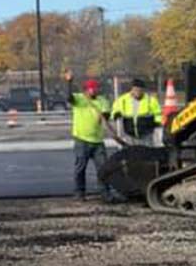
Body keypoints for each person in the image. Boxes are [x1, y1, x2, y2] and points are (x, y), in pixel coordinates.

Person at [65, 71, 119, 201]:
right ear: (86, 89)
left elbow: (106, 116)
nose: (93, 91)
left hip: (97, 141)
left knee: (103, 168)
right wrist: (69, 82)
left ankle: (105, 193)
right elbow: (68, 97)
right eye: (91, 89)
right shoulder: (79, 99)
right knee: (80, 168)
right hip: (82, 139)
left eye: (95, 88)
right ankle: (79, 193)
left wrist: (105, 116)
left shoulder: (103, 101)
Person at [111, 79, 163, 146]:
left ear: (143, 90)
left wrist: (157, 122)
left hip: (146, 134)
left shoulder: (150, 100)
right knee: (131, 154)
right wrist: (115, 114)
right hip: (130, 134)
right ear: (131, 89)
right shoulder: (123, 100)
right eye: (135, 90)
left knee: (147, 154)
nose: (137, 92)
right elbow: (115, 109)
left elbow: (158, 113)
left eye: (140, 90)